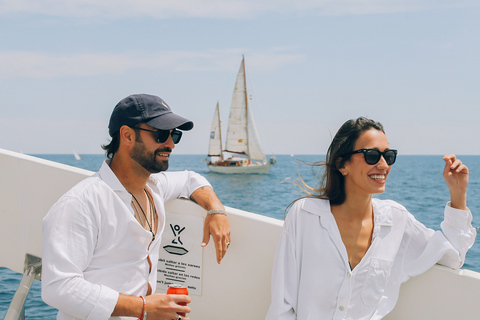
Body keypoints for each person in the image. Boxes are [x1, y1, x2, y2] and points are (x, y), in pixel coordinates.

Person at [42, 94, 231, 320]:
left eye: (175, 135)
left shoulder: (154, 187)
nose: (170, 144)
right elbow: (58, 287)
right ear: (127, 135)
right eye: (161, 134)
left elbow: (191, 180)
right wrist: (143, 308)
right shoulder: (82, 202)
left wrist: (215, 210)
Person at [266, 117, 476, 320]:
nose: (384, 165)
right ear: (342, 164)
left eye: (389, 156)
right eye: (372, 155)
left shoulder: (396, 221)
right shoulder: (305, 215)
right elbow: (282, 306)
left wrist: (458, 194)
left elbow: (452, 255)